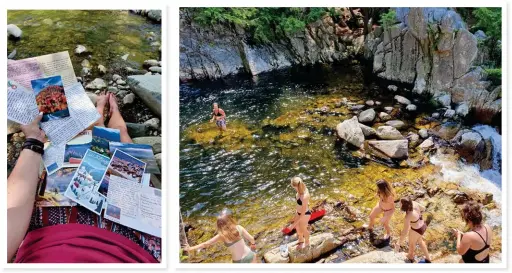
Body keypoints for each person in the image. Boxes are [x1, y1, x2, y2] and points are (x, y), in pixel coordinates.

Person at [7, 91, 160, 263]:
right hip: (134, 245)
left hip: (54, 227)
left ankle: (103, 110)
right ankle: (110, 111)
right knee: (120, 134)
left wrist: (34, 140)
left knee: (86, 138)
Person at [183, 213, 258, 263]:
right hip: (250, 254)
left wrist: (190, 248)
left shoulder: (221, 236)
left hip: (239, 261)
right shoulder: (239, 227)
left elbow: (205, 244)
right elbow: (251, 238)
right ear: (230, 220)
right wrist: (253, 244)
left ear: (219, 226)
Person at [395, 197, 431, 263]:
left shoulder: (408, 216)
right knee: (420, 241)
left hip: (416, 230)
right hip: (423, 225)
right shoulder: (414, 203)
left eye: (400, 203)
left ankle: (410, 257)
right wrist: (417, 216)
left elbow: (405, 231)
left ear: (404, 206)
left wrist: (398, 243)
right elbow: (423, 208)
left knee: (411, 244)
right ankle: (428, 259)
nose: (399, 204)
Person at [287, 177, 311, 249]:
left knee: (303, 229)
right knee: (297, 228)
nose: (293, 188)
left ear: (296, 186)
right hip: (298, 212)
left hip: (304, 214)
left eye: (293, 187)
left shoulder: (304, 196)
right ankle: (301, 239)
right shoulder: (300, 188)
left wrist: (292, 225)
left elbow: (303, 213)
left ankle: (307, 243)